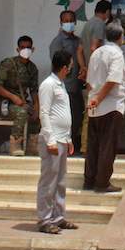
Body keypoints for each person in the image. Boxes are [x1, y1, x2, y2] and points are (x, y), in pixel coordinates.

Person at [36, 50, 78, 235]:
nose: (71, 67)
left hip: (62, 138)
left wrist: (68, 138)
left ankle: (58, 217)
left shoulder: (60, 84)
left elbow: (62, 113)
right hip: (52, 140)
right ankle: (45, 219)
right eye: (70, 64)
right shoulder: (48, 85)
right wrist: (50, 140)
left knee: (60, 181)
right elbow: (44, 113)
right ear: (64, 67)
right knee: (48, 181)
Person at [84, 22, 125, 193]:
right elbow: (112, 80)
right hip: (110, 106)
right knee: (108, 146)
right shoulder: (116, 54)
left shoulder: (96, 53)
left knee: (93, 146)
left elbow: (89, 81)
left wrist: (93, 99)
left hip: (94, 107)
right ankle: (102, 183)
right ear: (120, 37)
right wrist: (99, 99)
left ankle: (89, 180)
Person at [0, 36, 40, 157]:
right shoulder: (8, 64)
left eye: (28, 48)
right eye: (23, 47)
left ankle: (32, 145)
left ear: (33, 49)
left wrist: (36, 105)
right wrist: (13, 97)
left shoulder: (32, 68)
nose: (26, 50)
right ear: (17, 49)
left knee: (39, 113)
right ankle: (15, 145)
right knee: (22, 112)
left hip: (23, 102)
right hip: (5, 104)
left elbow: (34, 89)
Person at [49, 10, 86, 153]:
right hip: (65, 87)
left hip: (77, 86)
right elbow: (57, 66)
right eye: (65, 21)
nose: (68, 23)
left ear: (75, 22)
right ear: (61, 22)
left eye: (71, 20)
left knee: (77, 117)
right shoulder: (57, 42)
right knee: (67, 119)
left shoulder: (78, 41)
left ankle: (72, 146)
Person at [78, 0, 112, 153]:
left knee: (90, 108)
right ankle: (88, 146)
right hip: (96, 75)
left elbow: (80, 51)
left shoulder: (87, 24)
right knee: (94, 109)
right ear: (107, 12)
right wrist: (95, 69)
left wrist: (84, 67)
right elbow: (94, 47)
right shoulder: (99, 24)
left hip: (89, 74)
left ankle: (86, 145)